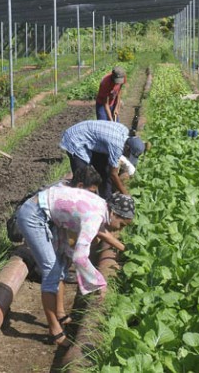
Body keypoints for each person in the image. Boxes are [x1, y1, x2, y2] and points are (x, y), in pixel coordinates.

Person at [15, 189, 134, 347]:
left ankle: (60, 314)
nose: (120, 229)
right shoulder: (95, 216)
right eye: (121, 224)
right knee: (52, 270)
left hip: (44, 214)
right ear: (113, 213)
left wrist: (127, 250)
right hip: (34, 216)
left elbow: (102, 233)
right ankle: (55, 330)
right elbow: (80, 257)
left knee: (64, 261)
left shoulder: (101, 206)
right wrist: (99, 282)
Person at [60, 120, 145, 199]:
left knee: (104, 170)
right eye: (128, 154)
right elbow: (113, 174)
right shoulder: (117, 145)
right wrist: (125, 194)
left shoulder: (125, 133)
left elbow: (109, 171)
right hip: (75, 138)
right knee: (83, 176)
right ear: (127, 148)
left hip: (90, 139)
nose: (126, 156)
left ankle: (105, 198)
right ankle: (75, 202)